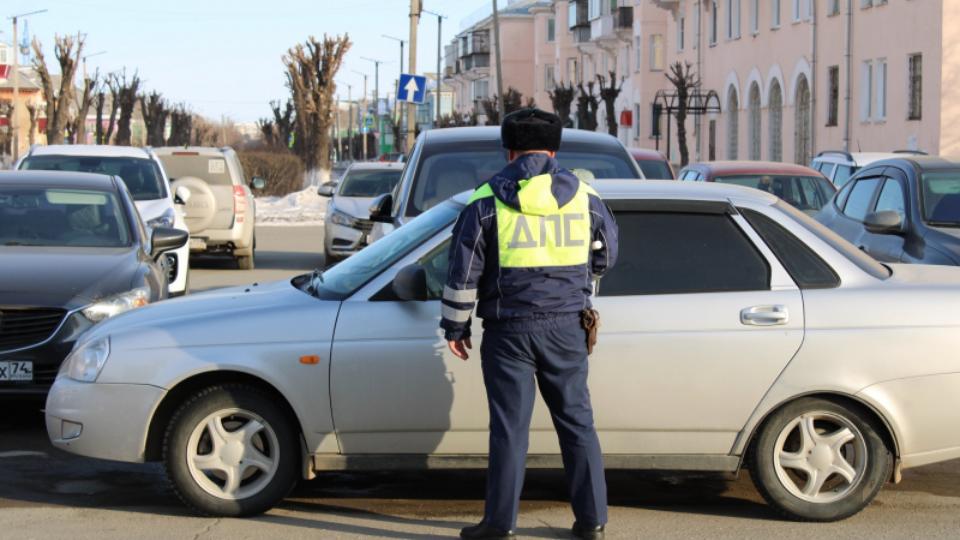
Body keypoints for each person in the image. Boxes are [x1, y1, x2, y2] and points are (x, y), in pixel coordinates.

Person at [440, 108, 619, 540]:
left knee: (509, 430)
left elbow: (463, 274)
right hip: (567, 328)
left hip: (508, 332)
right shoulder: (585, 197)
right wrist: (579, 282)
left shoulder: (484, 200)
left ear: (509, 151)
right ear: (554, 150)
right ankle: (592, 521)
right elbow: (607, 254)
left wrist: (456, 328)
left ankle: (500, 525)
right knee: (577, 423)